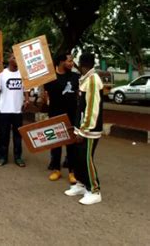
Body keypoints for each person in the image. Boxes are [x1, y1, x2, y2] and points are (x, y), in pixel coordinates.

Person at [64, 53, 103, 205]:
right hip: (80, 127)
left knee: (86, 160)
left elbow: (92, 108)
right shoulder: (85, 78)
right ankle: (81, 184)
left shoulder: (93, 80)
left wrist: (84, 130)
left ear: (82, 64)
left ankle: (94, 190)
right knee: (78, 159)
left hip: (89, 130)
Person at [43, 53, 79, 182]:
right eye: (69, 61)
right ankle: (56, 169)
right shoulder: (50, 78)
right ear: (61, 62)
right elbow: (44, 94)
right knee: (56, 144)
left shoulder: (76, 77)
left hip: (71, 115)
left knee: (71, 145)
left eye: (72, 61)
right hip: (55, 115)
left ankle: (72, 172)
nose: (72, 63)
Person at [0, 53, 28, 167]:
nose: (16, 59)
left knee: (17, 136)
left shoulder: (22, 74)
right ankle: (3, 157)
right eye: (14, 57)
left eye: (18, 57)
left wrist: (26, 100)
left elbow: (25, 89)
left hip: (17, 110)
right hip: (5, 110)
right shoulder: (1, 75)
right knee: (4, 135)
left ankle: (18, 157)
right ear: (9, 59)